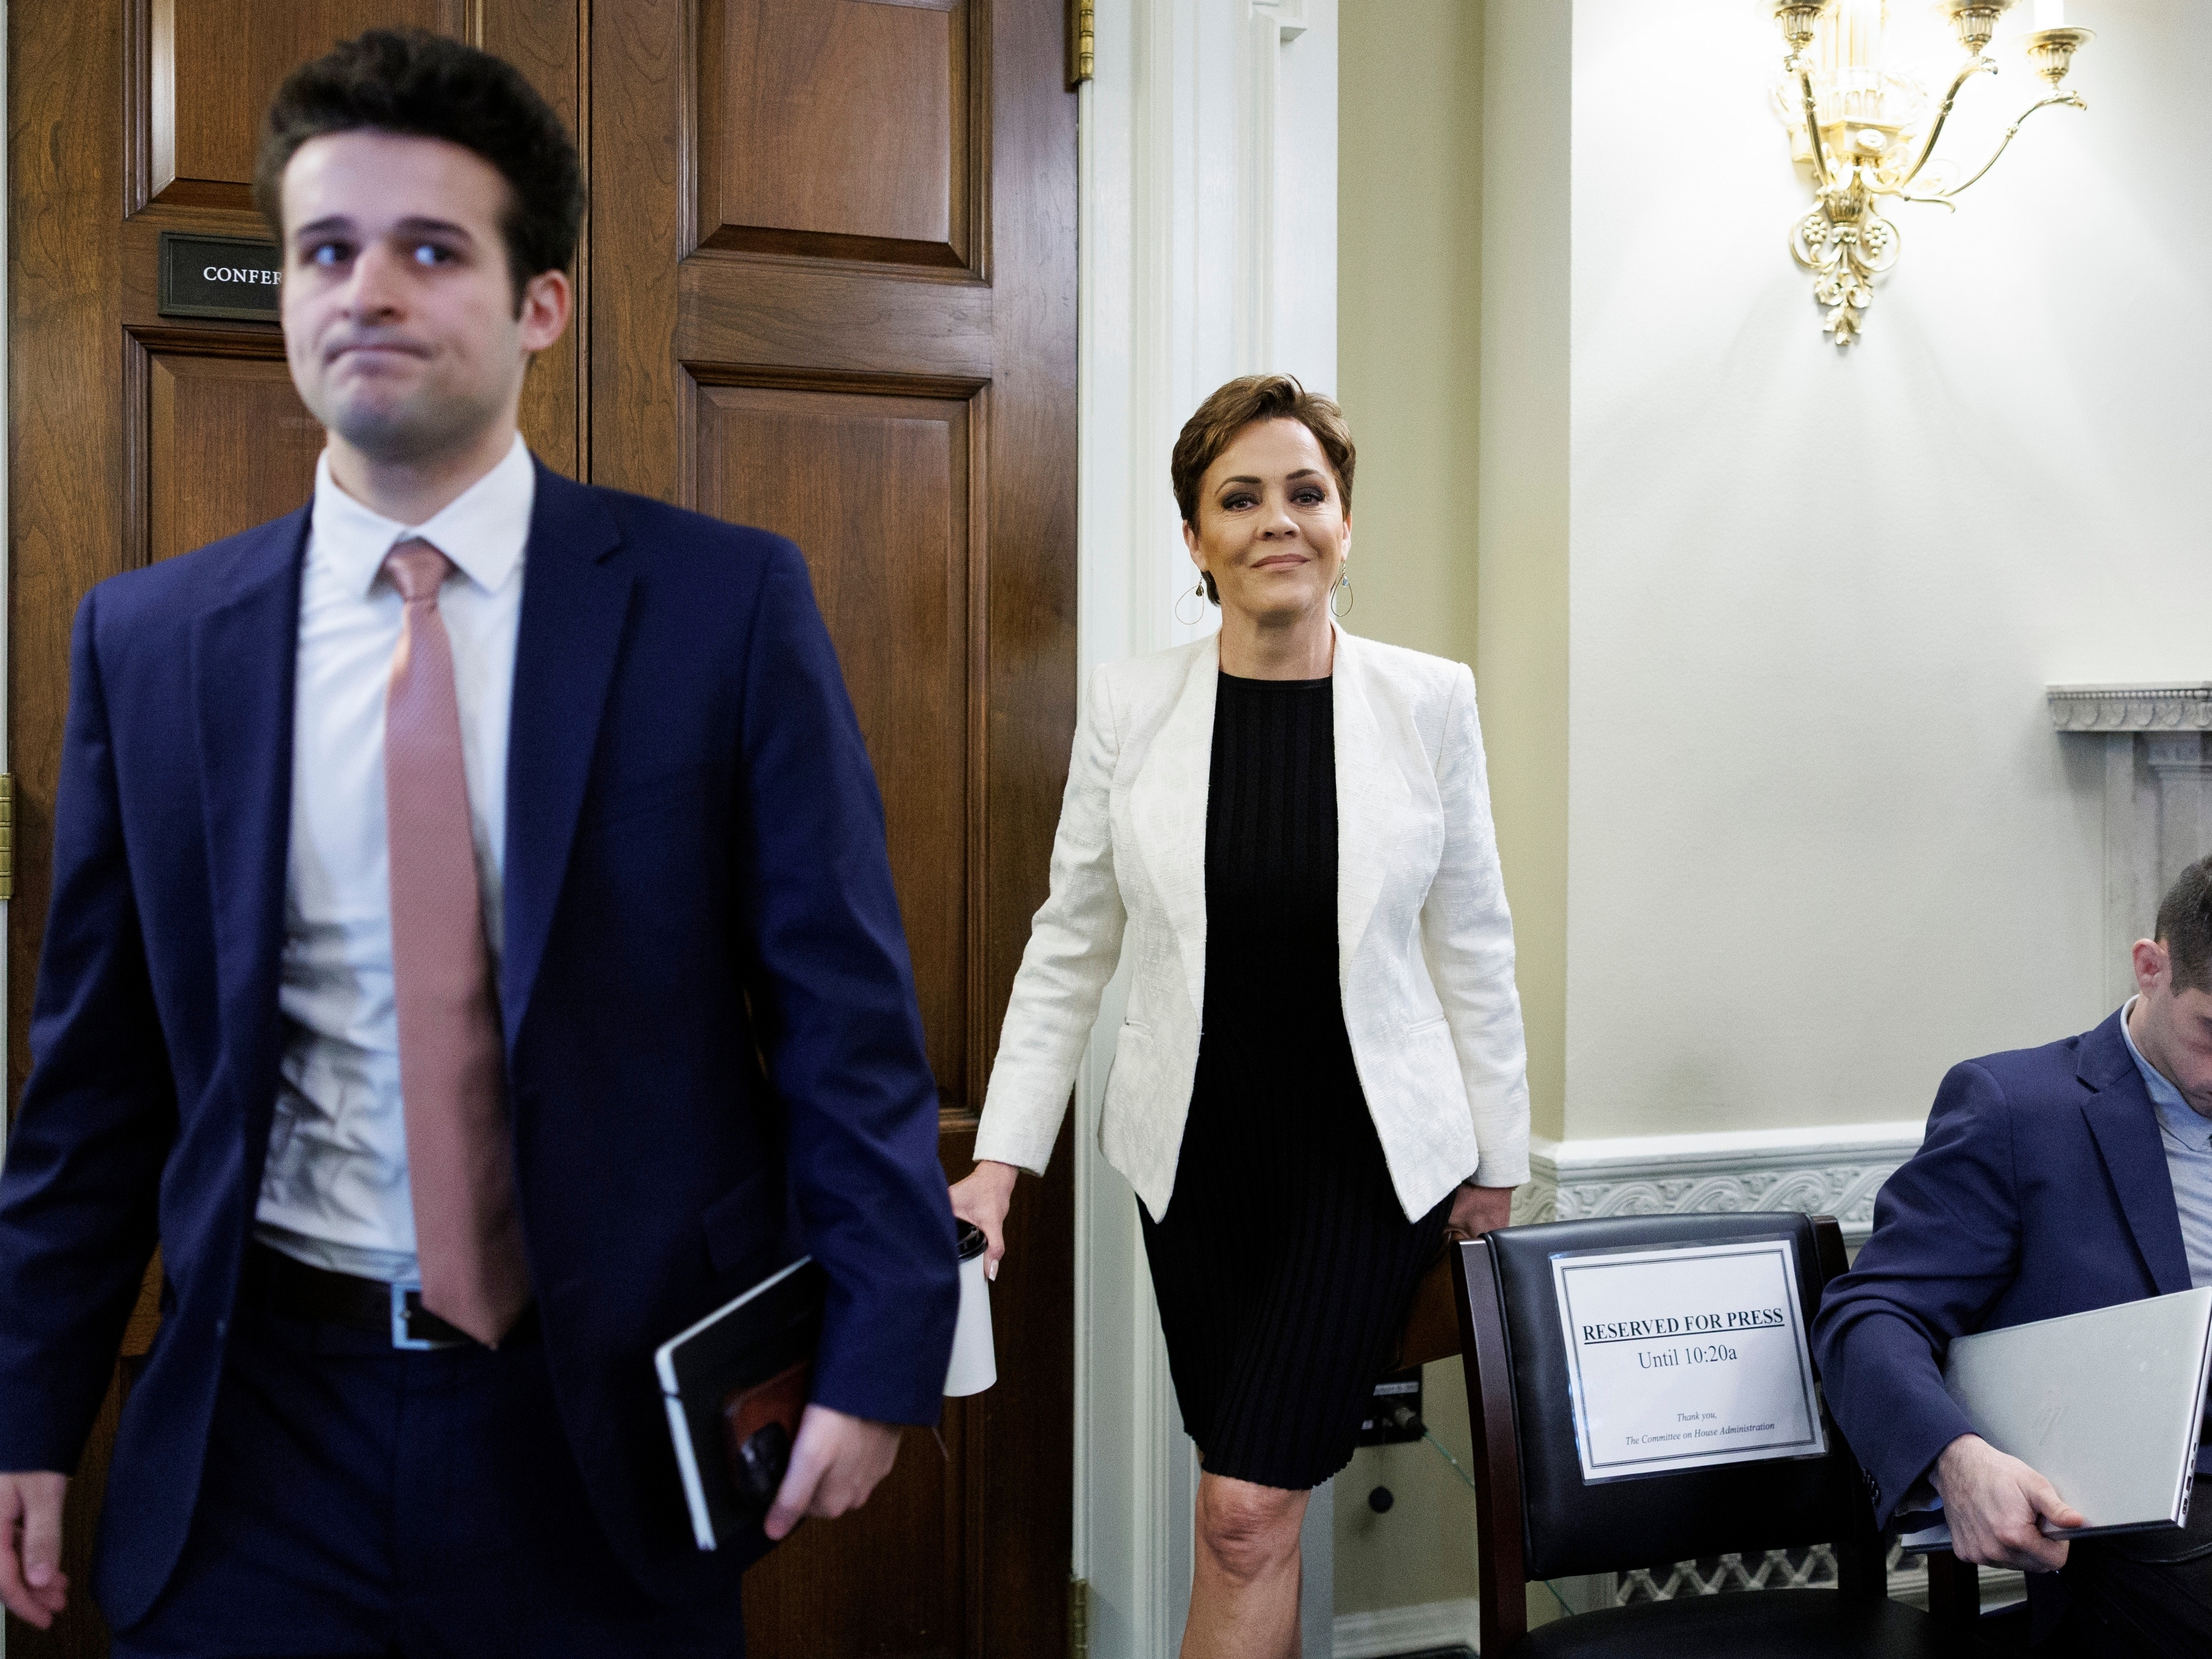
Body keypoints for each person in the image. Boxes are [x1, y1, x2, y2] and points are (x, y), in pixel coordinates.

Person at [0, 30, 958, 1657]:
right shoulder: (150, 646)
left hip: (602, 1437)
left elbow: (843, 1030)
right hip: (257, 1431)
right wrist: (26, 1405)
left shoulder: (720, 610)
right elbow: (95, 1081)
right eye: (325, 249)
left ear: (540, 306)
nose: (365, 287)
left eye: (429, 248)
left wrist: (878, 1351)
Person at [950, 374, 1530, 1659]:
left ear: (1342, 521)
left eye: (1305, 493)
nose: (1279, 520)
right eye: (1240, 497)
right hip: (1194, 1169)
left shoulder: (1426, 702)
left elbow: (1471, 940)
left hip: (1363, 1166)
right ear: (1195, 537)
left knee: (1242, 1503)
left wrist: (1497, 1162)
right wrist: (999, 1160)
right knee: (1243, 1520)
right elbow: (1071, 939)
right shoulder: (1130, 704)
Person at [1814, 853, 2212, 1656]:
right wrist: (1955, 1458)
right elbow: (1870, 1314)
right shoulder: (2018, 1110)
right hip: (2139, 1522)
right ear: (2151, 967)